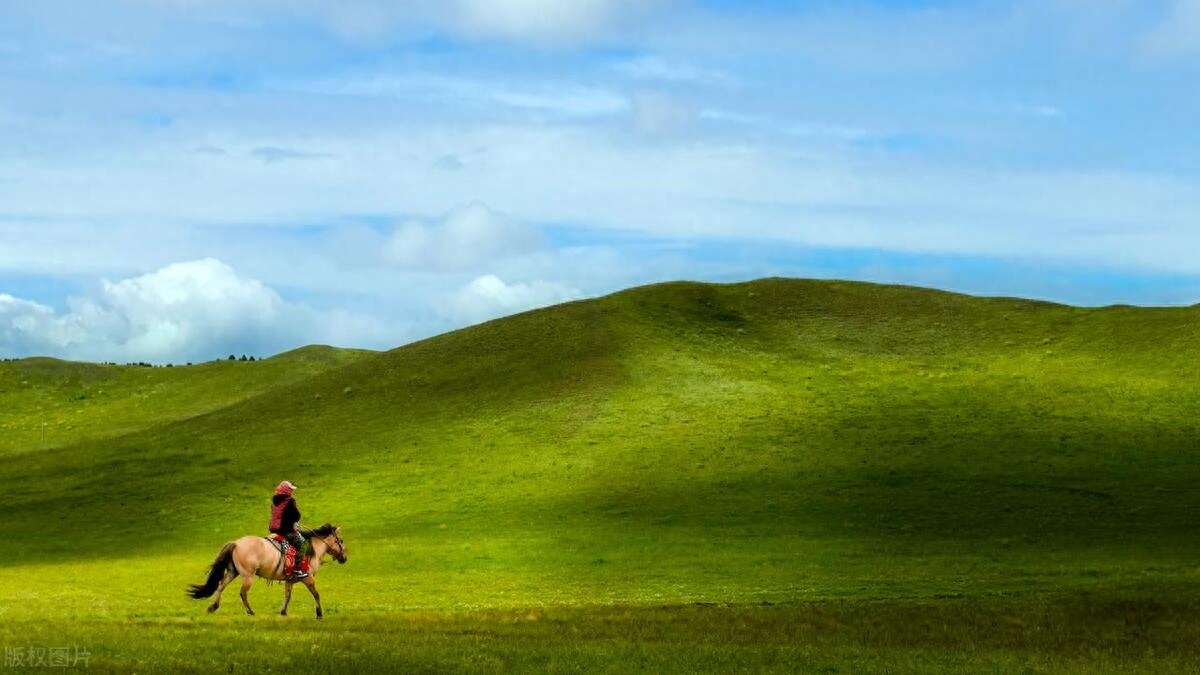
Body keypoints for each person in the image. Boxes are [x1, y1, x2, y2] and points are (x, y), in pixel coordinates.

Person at [269, 480, 308, 579]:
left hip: (274, 531)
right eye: (290, 490)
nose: (291, 492)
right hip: (286, 532)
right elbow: (296, 516)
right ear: (286, 491)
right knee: (302, 545)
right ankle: (297, 569)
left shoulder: (274, 501)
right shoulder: (289, 501)